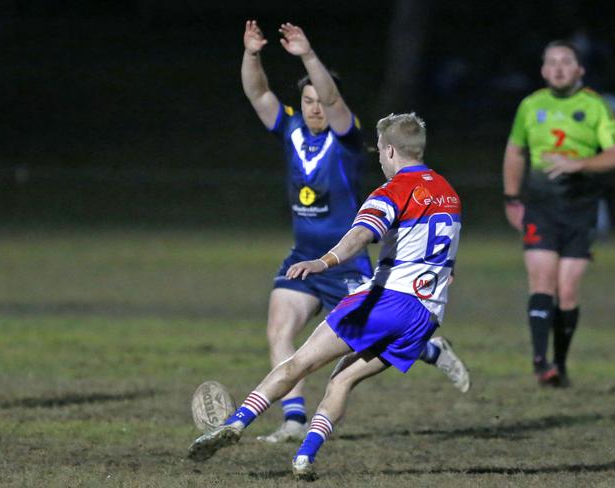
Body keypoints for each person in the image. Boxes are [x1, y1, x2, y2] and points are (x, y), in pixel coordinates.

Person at [188, 112, 470, 480]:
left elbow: (361, 234)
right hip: (425, 316)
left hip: (387, 300)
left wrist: (325, 261)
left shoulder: (394, 190)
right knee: (342, 380)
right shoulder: (449, 192)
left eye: (381, 154)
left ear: (389, 150)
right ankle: (305, 457)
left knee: (298, 363)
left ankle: (236, 424)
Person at [240, 20, 466, 442]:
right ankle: (292, 419)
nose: (314, 108)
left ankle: (429, 347)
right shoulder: (290, 128)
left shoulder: (346, 138)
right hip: (303, 255)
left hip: (347, 259)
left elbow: (331, 97)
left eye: (320, 101)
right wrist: (252, 54)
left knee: (364, 340)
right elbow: (257, 93)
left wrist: (308, 54)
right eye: (307, 101)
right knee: (280, 331)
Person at [502, 40, 615, 387]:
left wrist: (579, 163)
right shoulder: (531, 106)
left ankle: (560, 361)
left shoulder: (595, 106)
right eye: (551, 62)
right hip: (541, 205)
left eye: (566, 61)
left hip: (580, 208)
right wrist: (512, 197)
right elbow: (515, 152)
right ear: (543, 70)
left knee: (567, 291)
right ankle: (542, 363)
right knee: (542, 282)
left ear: (579, 69)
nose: (558, 67)